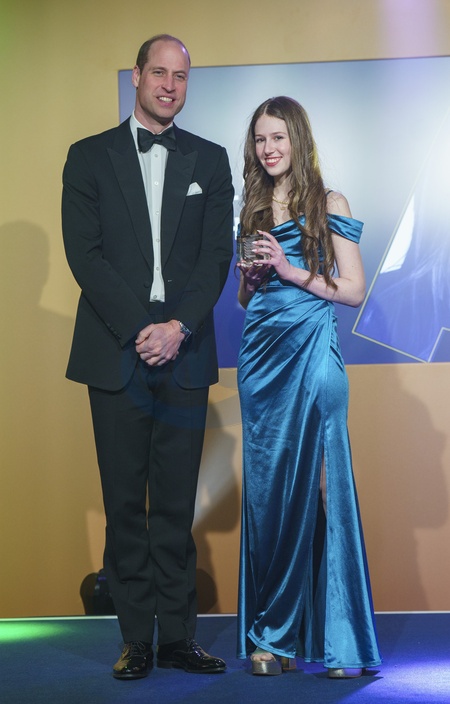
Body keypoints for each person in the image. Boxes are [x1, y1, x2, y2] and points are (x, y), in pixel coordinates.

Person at [62, 34, 234, 679]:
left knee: (176, 507)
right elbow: (85, 256)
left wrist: (178, 328)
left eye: (179, 76)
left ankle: (178, 639)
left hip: (184, 353)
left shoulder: (211, 160)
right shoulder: (88, 156)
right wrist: (144, 330)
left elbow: (216, 257)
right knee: (124, 507)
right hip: (116, 352)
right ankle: (136, 639)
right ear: (136, 76)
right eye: (158, 72)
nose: (168, 85)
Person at [236, 96, 381, 678]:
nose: (268, 149)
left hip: (315, 351)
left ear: (298, 139)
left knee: (324, 488)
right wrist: (251, 278)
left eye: (278, 137)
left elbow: (354, 290)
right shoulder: (251, 208)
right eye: (260, 139)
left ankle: (341, 640)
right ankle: (274, 637)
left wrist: (289, 269)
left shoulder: (329, 203)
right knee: (271, 496)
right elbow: (245, 299)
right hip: (261, 360)